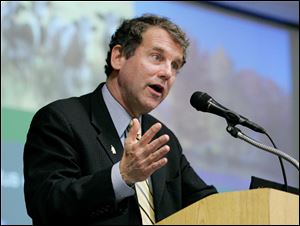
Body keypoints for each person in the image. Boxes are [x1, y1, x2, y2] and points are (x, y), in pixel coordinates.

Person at [23, 14, 218, 225]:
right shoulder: (61, 120)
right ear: (118, 57)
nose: (167, 73)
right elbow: (47, 204)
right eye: (157, 57)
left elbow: (205, 203)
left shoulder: (163, 138)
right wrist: (121, 177)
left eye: (175, 66)